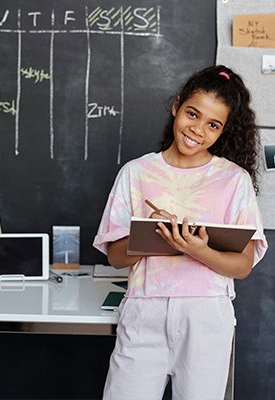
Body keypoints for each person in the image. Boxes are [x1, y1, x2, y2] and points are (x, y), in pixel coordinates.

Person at [93, 65, 268, 400]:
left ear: (223, 131)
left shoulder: (234, 180)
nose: (198, 129)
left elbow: (243, 266)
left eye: (213, 124)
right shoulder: (136, 172)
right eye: (192, 113)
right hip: (145, 310)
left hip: (205, 314)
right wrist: (157, 234)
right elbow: (115, 256)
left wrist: (196, 249)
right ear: (176, 106)